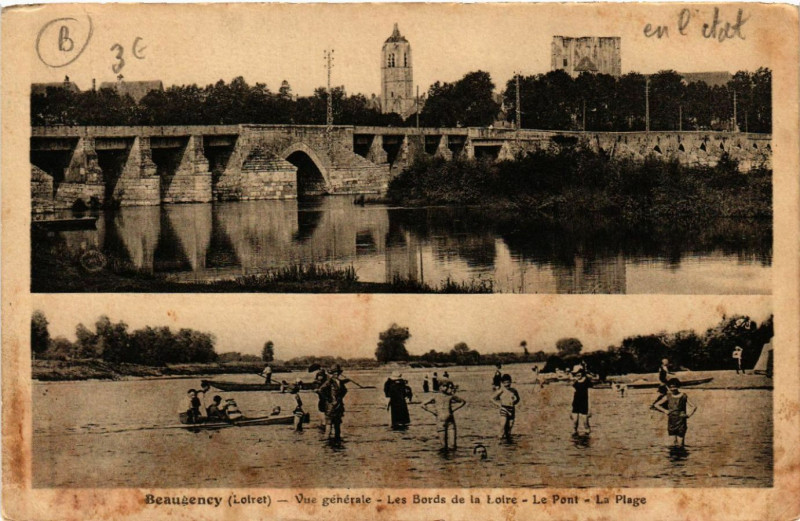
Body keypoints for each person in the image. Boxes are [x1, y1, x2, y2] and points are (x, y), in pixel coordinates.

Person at [421, 380, 465, 450]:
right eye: (444, 386)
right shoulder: (435, 396)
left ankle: (453, 456)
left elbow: (463, 402)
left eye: (446, 386)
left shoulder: (450, 396)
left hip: (450, 421)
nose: (445, 388)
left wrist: (453, 410)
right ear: (440, 387)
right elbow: (422, 404)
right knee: (443, 446)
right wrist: (433, 412)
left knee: (453, 445)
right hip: (440, 421)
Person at [653, 378, 697, 447]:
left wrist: (688, 415)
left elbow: (694, 406)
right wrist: (665, 411)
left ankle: (681, 453)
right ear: (669, 387)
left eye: (674, 387)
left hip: (681, 421)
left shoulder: (683, 395)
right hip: (671, 421)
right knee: (672, 444)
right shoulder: (668, 396)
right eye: (671, 387)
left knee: (680, 444)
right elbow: (656, 405)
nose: (673, 389)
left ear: (678, 386)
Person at [318, 364, 348, 441]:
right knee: (329, 425)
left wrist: (340, 398)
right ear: (332, 373)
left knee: (338, 425)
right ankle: (327, 442)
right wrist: (329, 399)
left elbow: (345, 390)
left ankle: (337, 442)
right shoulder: (329, 381)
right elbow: (320, 390)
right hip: (330, 407)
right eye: (334, 372)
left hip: (339, 406)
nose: (336, 374)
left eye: (337, 373)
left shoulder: (340, 382)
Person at [492, 374, 520, 440]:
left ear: (511, 382)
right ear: (502, 383)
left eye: (508, 382)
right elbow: (492, 398)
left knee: (510, 427)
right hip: (504, 408)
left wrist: (514, 402)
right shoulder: (502, 390)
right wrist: (498, 404)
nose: (507, 384)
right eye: (505, 383)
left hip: (512, 409)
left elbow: (518, 398)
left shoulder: (514, 390)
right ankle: (500, 438)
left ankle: (507, 441)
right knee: (503, 425)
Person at [571, 366, 593, 435]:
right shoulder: (575, 382)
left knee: (585, 422)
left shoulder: (587, 381)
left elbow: (590, 394)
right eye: (575, 374)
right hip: (576, 403)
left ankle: (587, 435)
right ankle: (575, 434)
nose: (577, 375)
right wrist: (570, 408)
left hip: (584, 403)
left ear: (582, 372)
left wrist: (590, 409)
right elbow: (573, 394)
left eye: (579, 373)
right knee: (575, 422)